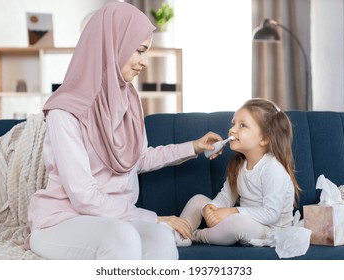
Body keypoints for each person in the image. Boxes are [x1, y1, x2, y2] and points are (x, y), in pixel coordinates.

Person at [25, 2, 223, 260]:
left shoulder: (129, 99)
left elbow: (137, 158)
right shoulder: (65, 110)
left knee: (162, 238)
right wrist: (153, 217)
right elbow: (83, 195)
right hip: (61, 221)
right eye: (139, 51)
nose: (144, 62)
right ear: (112, 45)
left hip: (115, 221)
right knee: (125, 236)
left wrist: (194, 147)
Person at [178, 98, 301, 246]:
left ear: (264, 139)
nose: (232, 130)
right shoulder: (239, 165)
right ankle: (181, 234)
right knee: (198, 200)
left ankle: (197, 235)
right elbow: (226, 197)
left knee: (237, 223)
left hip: (269, 232)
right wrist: (212, 208)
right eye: (233, 124)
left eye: (242, 125)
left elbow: (271, 214)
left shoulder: (272, 169)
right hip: (241, 219)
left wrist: (232, 212)